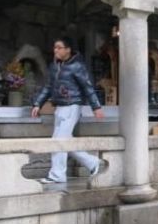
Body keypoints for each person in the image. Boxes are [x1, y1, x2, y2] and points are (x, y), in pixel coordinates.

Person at [31, 36, 106, 184]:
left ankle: (57, 175)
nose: (56, 50)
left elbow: (87, 87)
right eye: (54, 47)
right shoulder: (54, 66)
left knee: (59, 141)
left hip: (72, 106)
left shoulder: (77, 66)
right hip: (59, 106)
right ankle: (93, 163)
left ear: (68, 50)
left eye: (59, 47)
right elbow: (48, 87)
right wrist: (38, 103)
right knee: (63, 141)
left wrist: (96, 107)